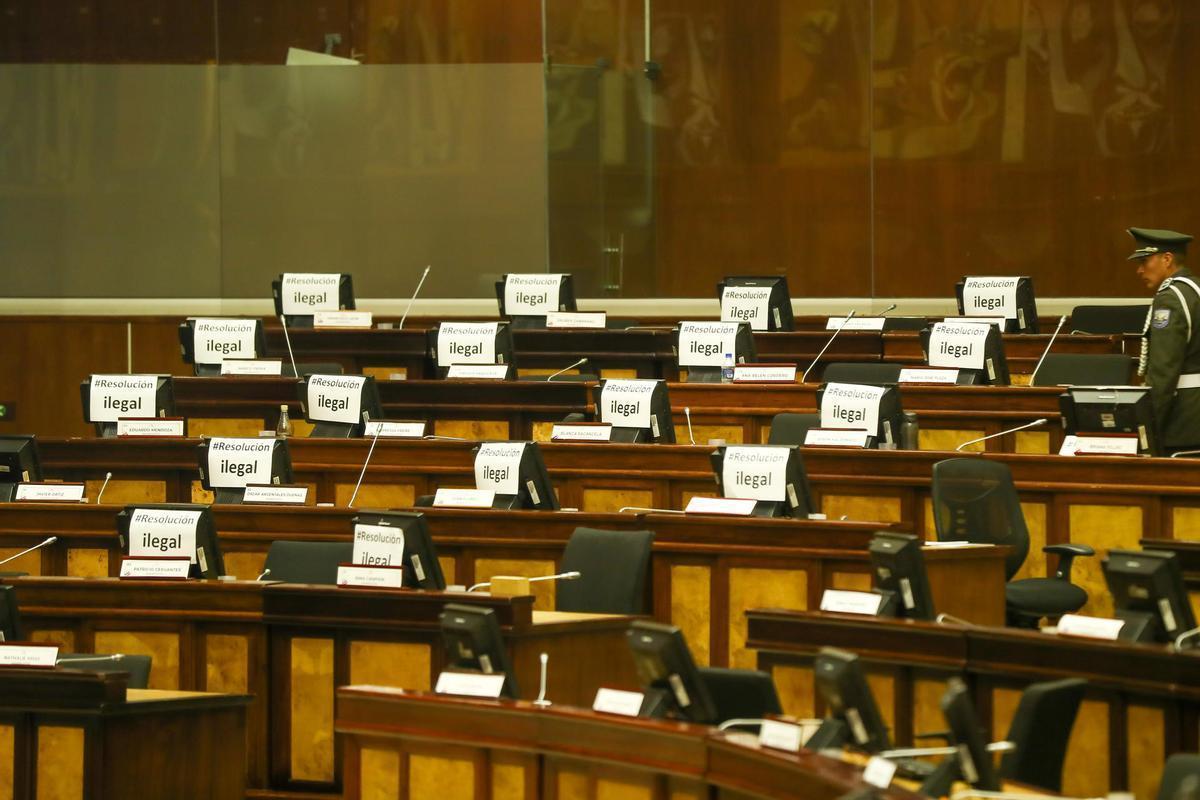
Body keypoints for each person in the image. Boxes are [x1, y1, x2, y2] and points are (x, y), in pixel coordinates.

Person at [1129, 227, 1200, 453]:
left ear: (1167, 259)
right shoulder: (1194, 289)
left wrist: (1148, 426)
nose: (1139, 270)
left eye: (1145, 261)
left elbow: (1163, 372)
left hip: (1182, 422)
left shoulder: (1170, 299)